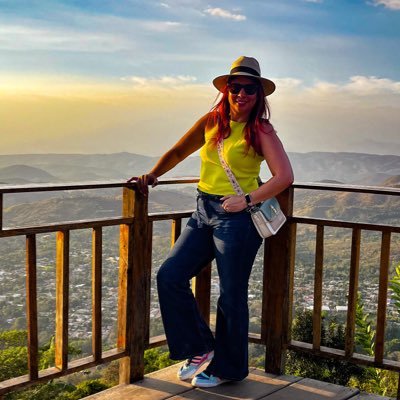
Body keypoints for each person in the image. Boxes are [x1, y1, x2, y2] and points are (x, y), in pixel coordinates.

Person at [128, 56, 293, 388]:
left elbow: (284, 176)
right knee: (170, 275)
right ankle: (200, 348)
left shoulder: (260, 130)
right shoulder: (211, 122)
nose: (241, 94)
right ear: (226, 90)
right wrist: (153, 175)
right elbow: (178, 152)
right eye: (236, 87)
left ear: (259, 94)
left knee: (231, 294)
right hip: (203, 211)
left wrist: (246, 200)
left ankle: (229, 369)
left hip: (237, 218)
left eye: (249, 88)